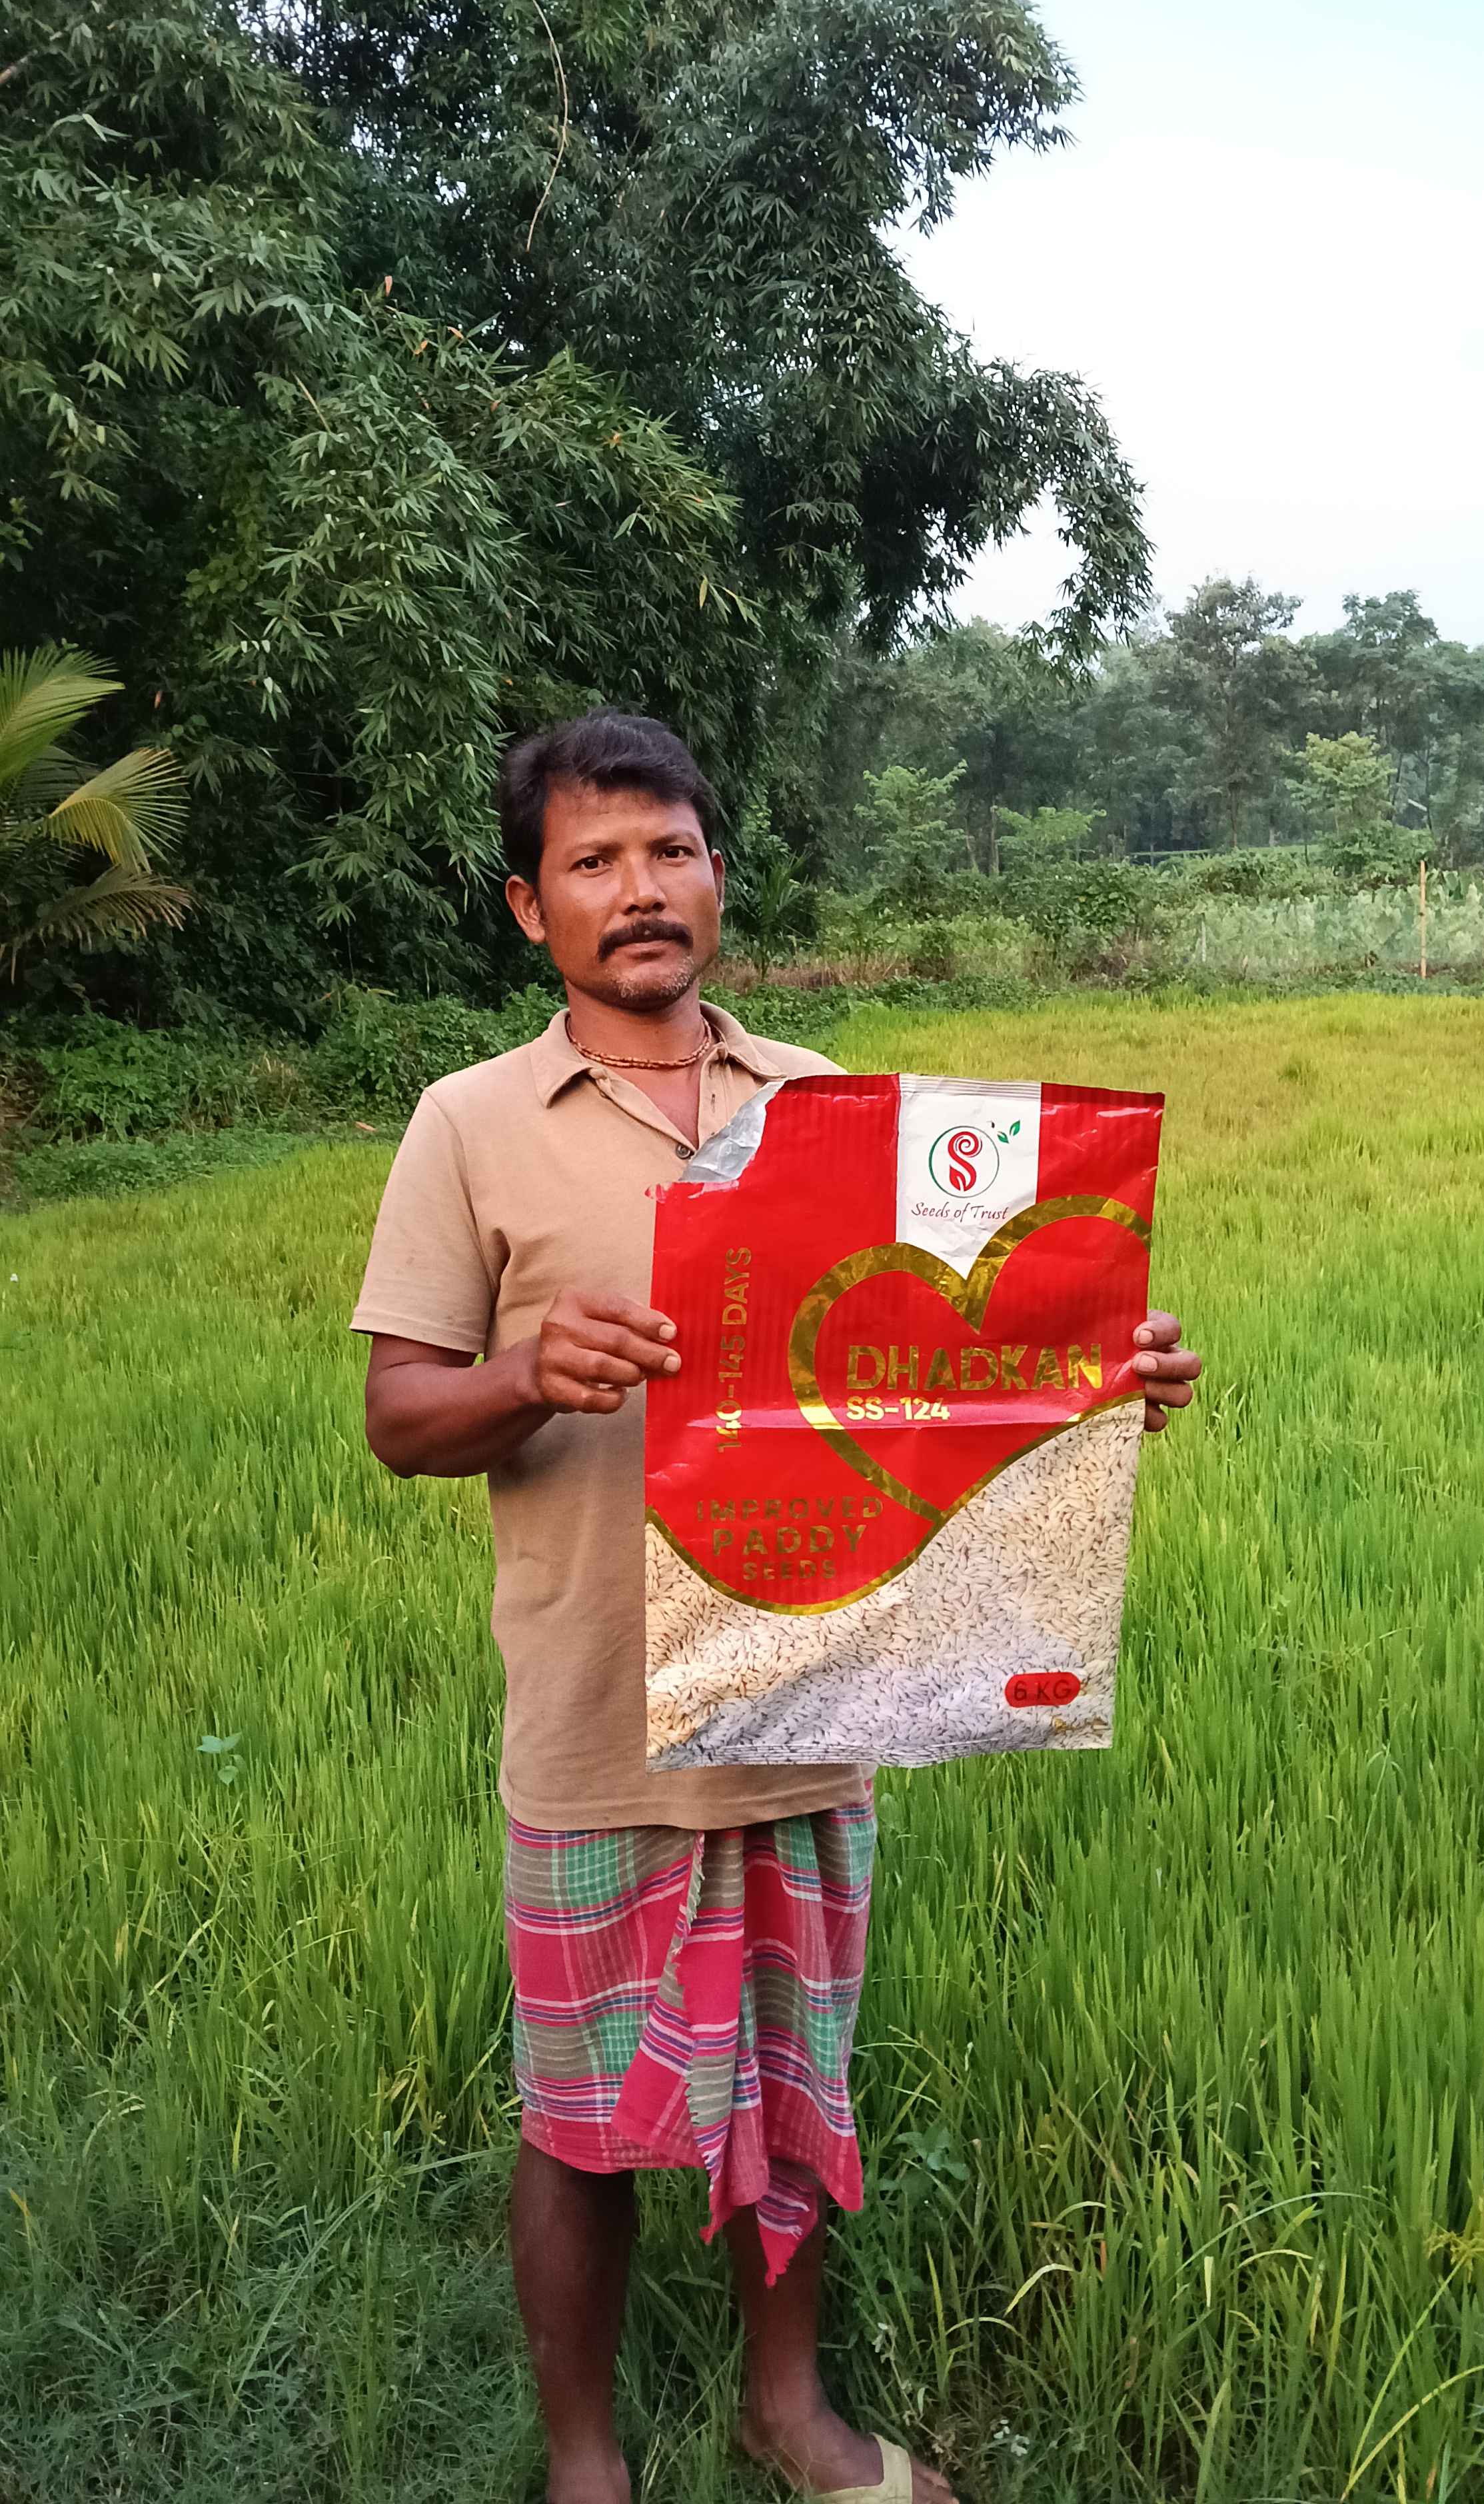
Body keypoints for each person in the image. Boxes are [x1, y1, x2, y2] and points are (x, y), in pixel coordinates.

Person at [352, 711, 1202, 2504]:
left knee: (796, 2101)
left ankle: (786, 2407)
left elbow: (925, 1355)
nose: (639, 889)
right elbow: (400, 1416)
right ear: (528, 908)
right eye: (592, 861)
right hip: (595, 1721)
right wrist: (528, 1372)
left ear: (718, 876)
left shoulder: (829, 1108)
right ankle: (586, 2460)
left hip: (810, 1699)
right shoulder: (471, 1126)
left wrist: (1088, 1376)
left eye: (670, 851)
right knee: (580, 2122)